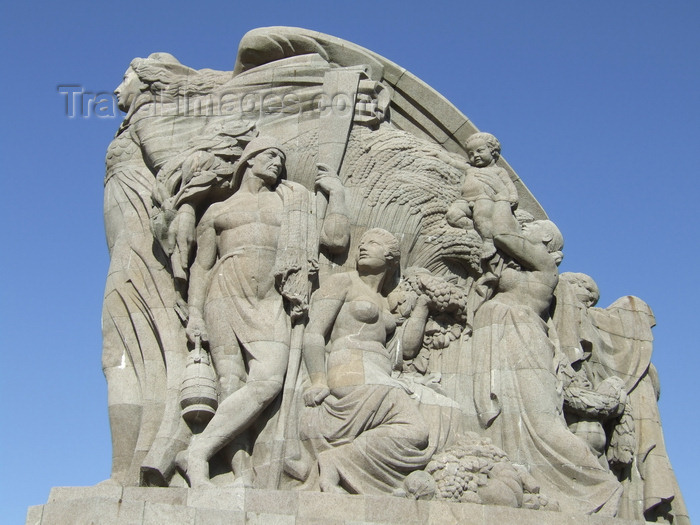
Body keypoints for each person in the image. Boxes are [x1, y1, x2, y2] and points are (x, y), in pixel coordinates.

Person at [179, 135, 349, 487]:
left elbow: (334, 241)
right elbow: (202, 267)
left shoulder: (292, 202)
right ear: (250, 160)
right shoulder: (218, 211)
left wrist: (335, 196)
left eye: (281, 158)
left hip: (272, 299)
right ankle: (238, 473)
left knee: (268, 380)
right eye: (270, 155)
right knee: (230, 383)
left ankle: (197, 450)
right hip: (224, 292)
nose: (277, 163)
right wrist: (195, 312)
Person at [470, 220, 623, 515]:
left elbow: (500, 232)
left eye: (533, 229)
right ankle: (510, 478)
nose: (524, 228)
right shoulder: (515, 265)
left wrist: (492, 208)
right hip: (490, 336)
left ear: (548, 243)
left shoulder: (545, 268)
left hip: (523, 336)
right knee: (497, 418)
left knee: (542, 423)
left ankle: (598, 486)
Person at [300, 228, 435, 495]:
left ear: (390, 257)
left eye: (371, 244)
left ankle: (348, 464)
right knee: (416, 430)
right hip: (349, 367)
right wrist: (318, 379)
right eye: (361, 243)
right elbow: (314, 333)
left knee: (438, 409)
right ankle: (336, 463)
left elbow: (405, 351)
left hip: (379, 374)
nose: (362, 247)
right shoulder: (344, 282)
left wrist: (423, 307)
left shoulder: (386, 301)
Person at [446, 132, 519, 259]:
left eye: (480, 151)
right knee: (452, 215)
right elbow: (454, 163)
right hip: (465, 200)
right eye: (471, 154)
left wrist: (512, 197)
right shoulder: (470, 169)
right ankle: (475, 230)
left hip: (485, 199)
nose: (475, 156)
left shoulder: (499, 171)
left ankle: (488, 241)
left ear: (492, 151)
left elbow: (510, 187)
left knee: (482, 215)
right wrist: (439, 155)